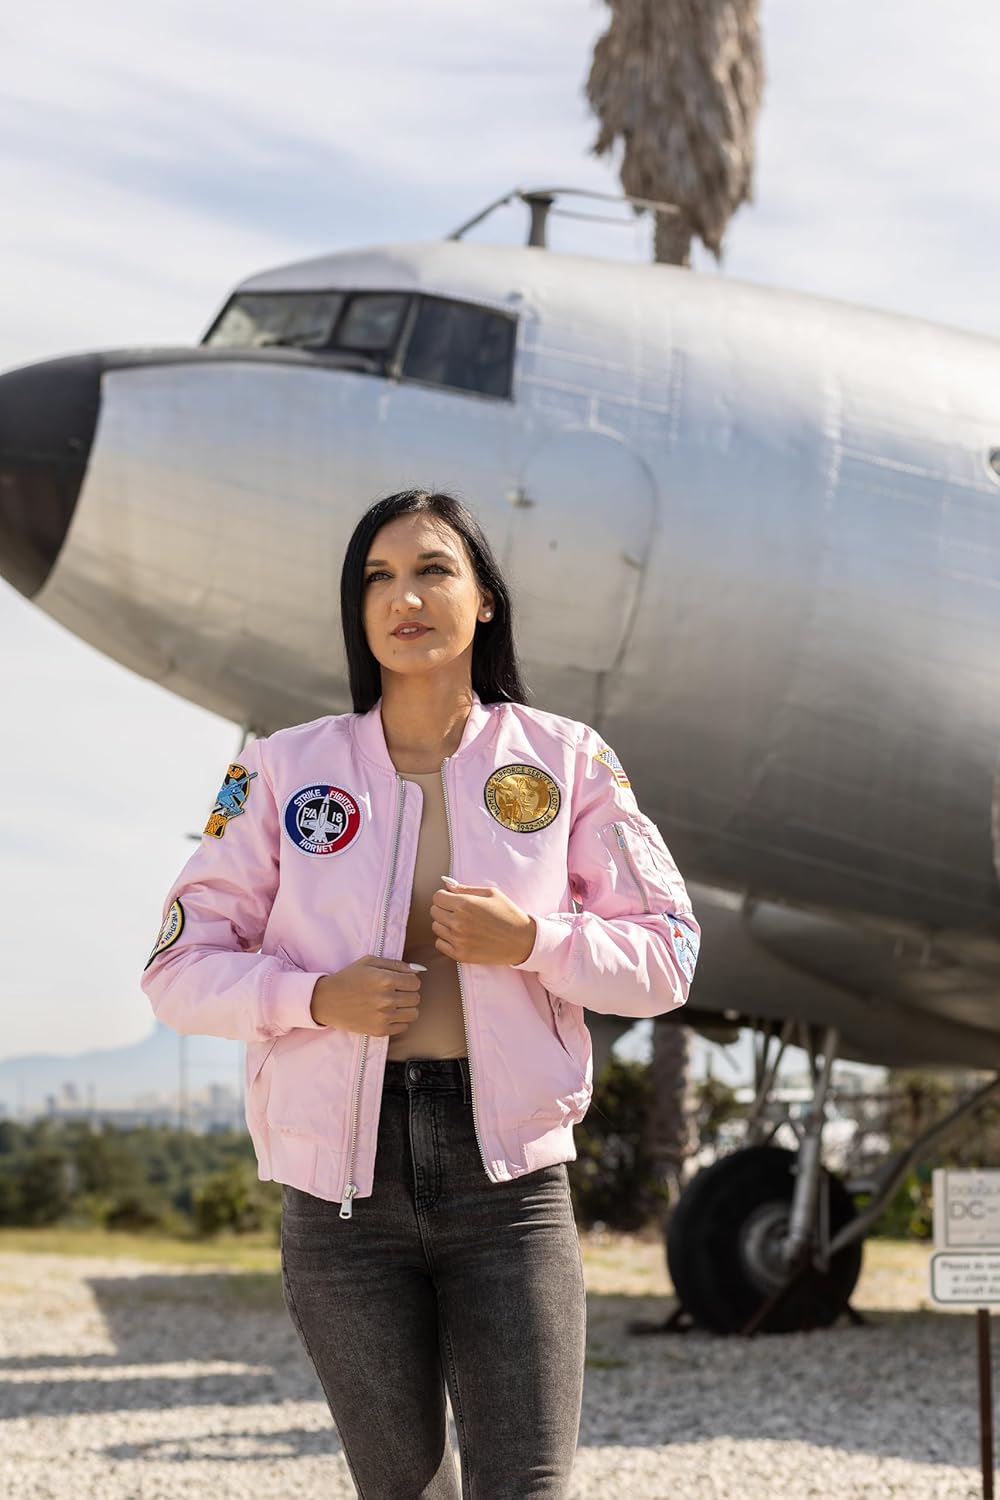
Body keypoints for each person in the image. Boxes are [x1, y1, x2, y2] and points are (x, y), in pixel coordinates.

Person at [141, 488, 700, 1500]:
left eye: (434, 568)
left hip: (511, 1188)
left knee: (524, 1488)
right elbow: (176, 971)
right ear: (357, 612)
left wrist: (532, 940)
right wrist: (318, 999)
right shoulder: (275, 770)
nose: (406, 595)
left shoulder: (568, 762)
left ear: (484, 598)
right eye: (377, 576)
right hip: (338, 1195)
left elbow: (666, 954)